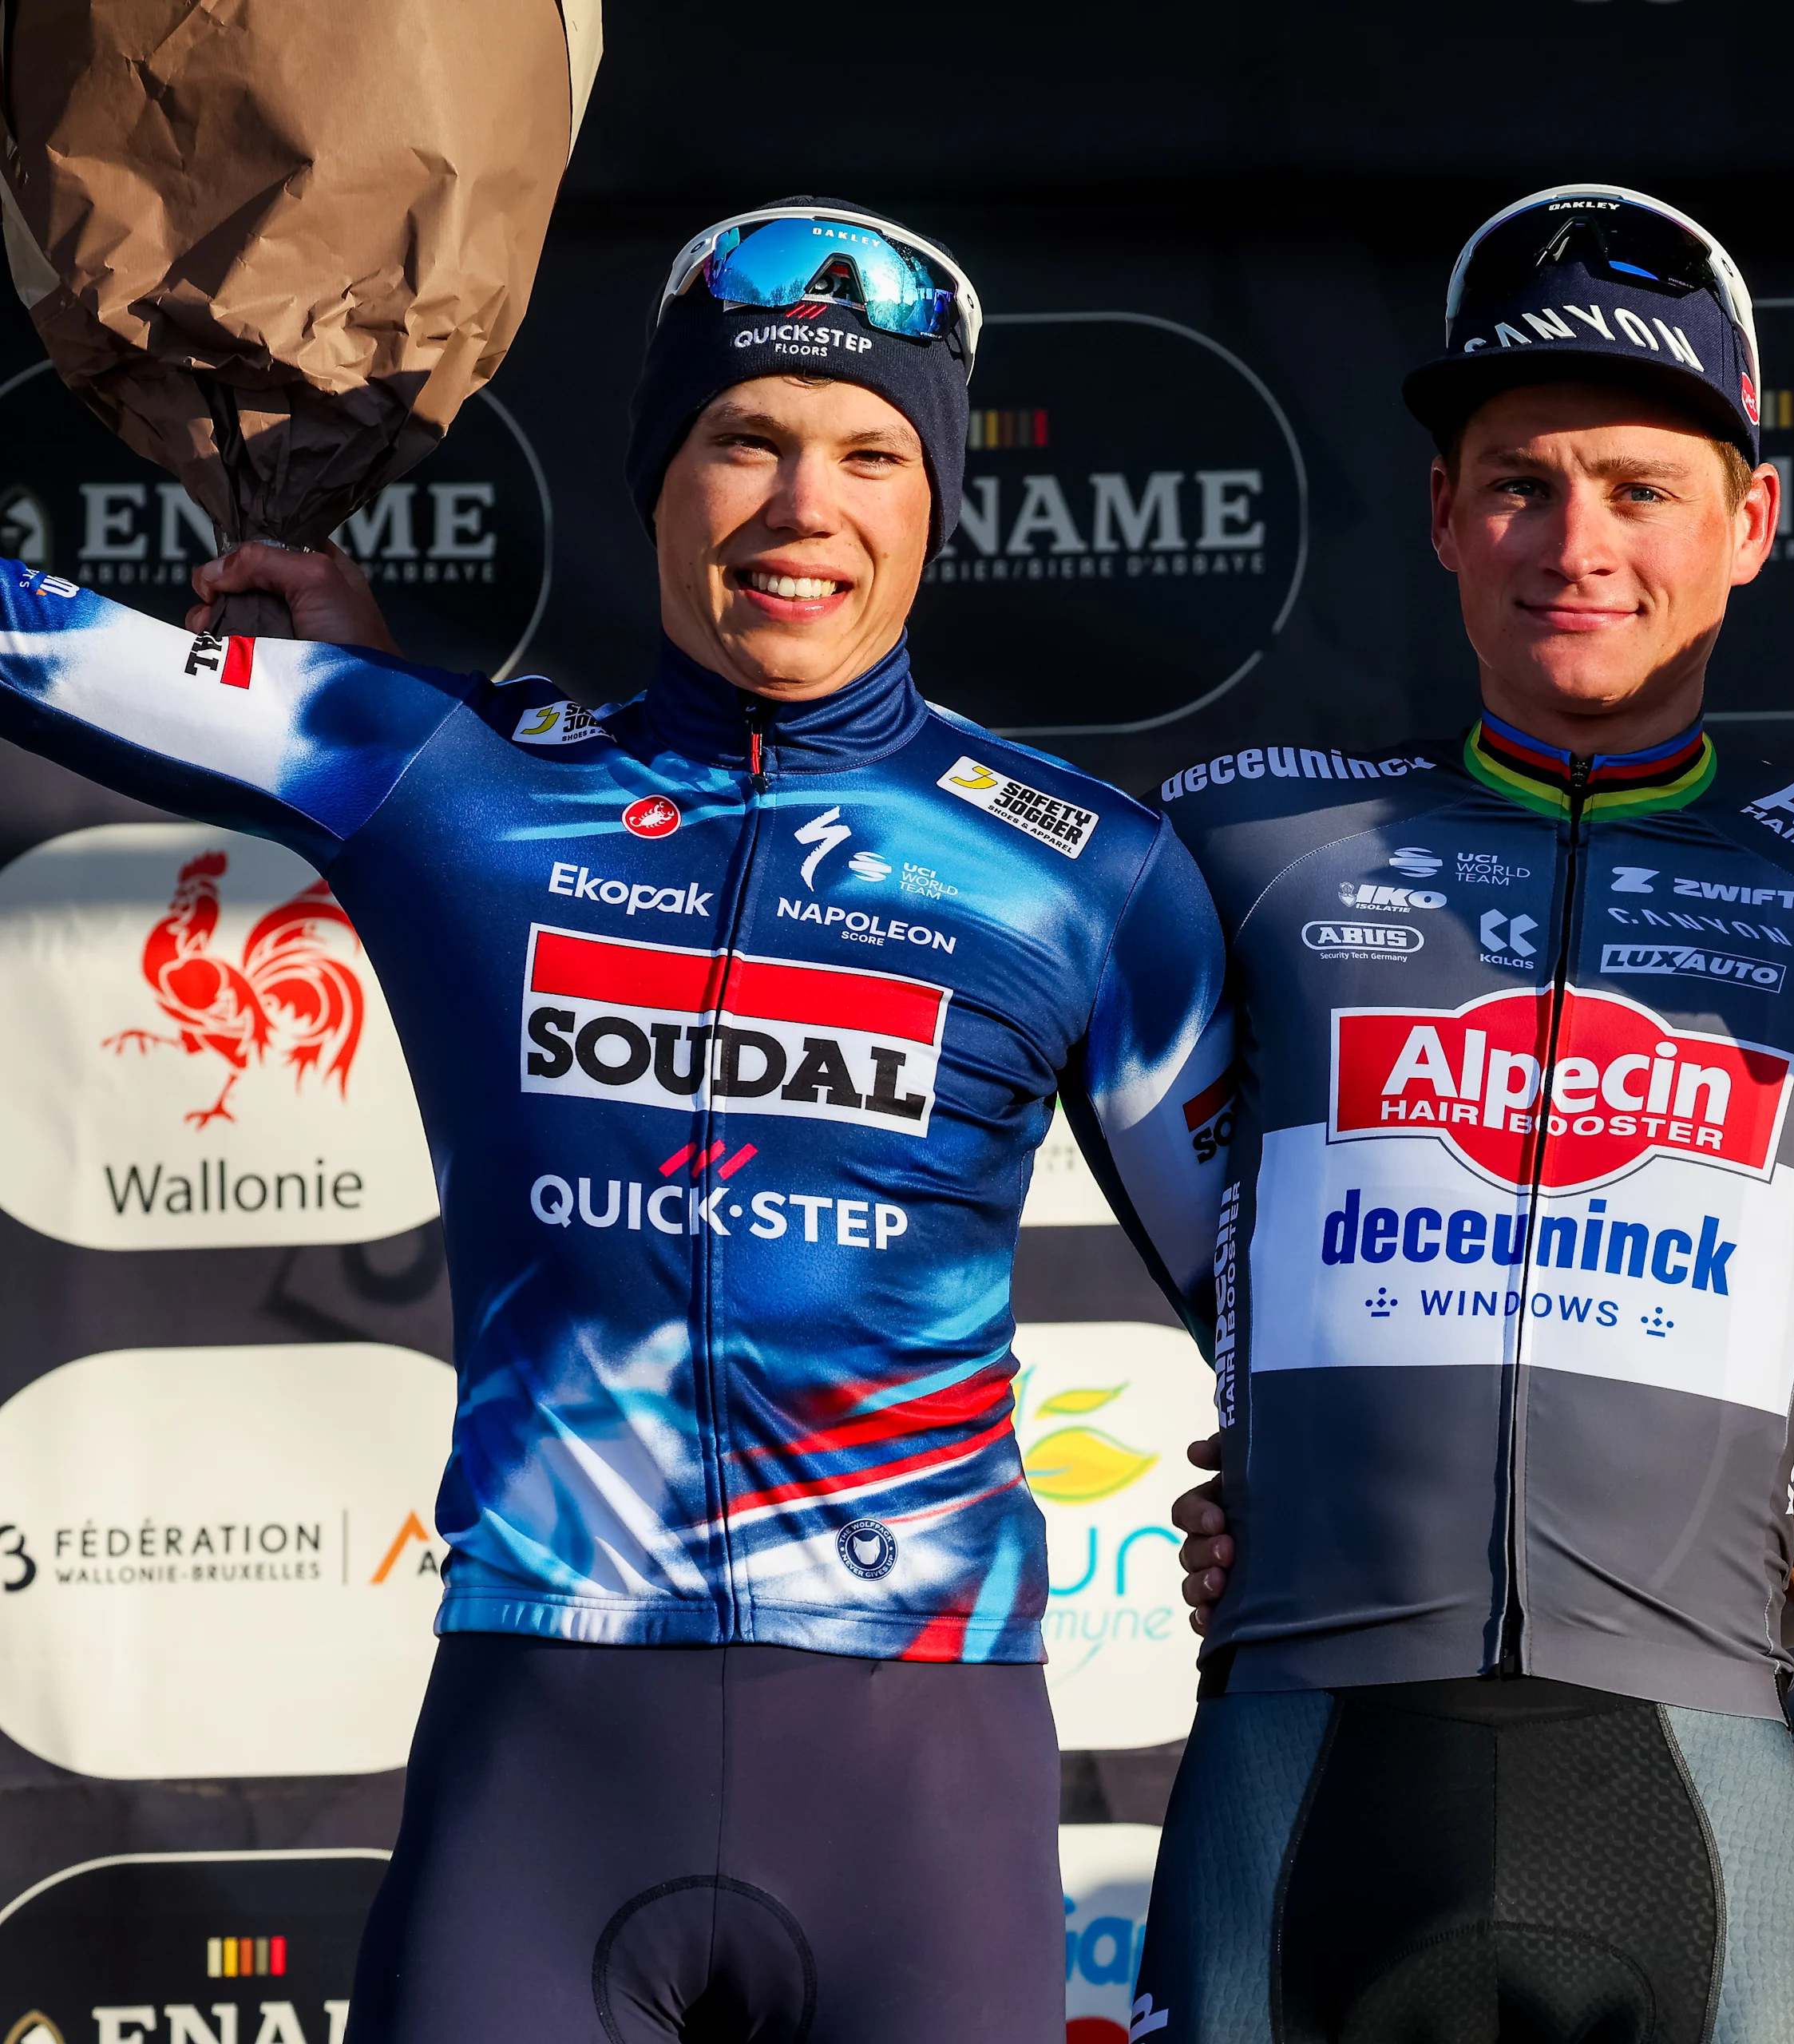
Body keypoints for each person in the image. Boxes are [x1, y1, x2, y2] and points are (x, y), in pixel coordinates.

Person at [0, 198, 1231, 2041]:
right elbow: (36, 642)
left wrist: (1290, 1500)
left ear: (936, 505)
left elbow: (1298, 1293)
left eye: (871, 454)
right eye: (746, 437)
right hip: (544, 1765)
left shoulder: (1085, 870)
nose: (804, 506)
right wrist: (353, 680)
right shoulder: (443, 777)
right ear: (657, 477)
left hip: (924, 1779)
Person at [1135, 184, 1794, 2044]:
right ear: (1441, 514)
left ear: (1752, 521)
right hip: (1305, 1759)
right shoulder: (1247, 846)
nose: (1573, 541)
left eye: (1640, 485)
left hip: (1693, 1767)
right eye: (1519, 480)